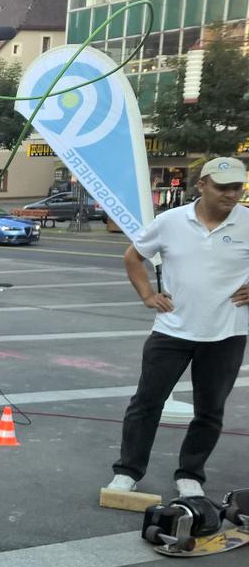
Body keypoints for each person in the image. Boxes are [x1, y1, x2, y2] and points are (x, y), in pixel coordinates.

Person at [106, 156, 248, 500]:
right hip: (172, 331)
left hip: (226, 334)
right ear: (201, 185)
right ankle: (127, 471)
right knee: (145, 403)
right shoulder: (170, 221)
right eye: (222, 187)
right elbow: (133, 256)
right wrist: (147, 295)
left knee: (210, 410)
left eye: (237, 187)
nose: (231, 194)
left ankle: (190, 474)